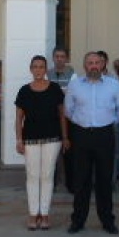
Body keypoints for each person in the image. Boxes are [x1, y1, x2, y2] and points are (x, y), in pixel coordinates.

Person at [64, 51, 119, 235]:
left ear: (103, 65)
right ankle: (78, 220)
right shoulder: (75, 85)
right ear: (84, 66)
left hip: (105, 135)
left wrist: (106, 122)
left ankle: (107, 220)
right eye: (90, 63)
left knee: (104, 180)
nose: (93, 66)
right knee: (81, 180)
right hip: (81, 135)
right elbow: (68, 110)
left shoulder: (114, 85)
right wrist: (82, 123)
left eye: (97, 62)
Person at [15, 55, 68, 231]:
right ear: (31, 69)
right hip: (30, 139)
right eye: (35, 67)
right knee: (32, 175)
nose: (38, 70)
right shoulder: (24, 91)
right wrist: (19, 139)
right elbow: (19, 119)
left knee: (47, 175)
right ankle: (32, 213)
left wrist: (65, 137)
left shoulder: (54, 89)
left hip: (52, 139)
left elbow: (62, 115)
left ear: (46, 69)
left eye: (41, 67)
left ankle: (44, 213)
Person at [49, 46, 75, 193]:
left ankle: (70, 183)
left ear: (66, 58)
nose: (59, 59)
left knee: (69, 151)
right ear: (53, 58)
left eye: (62, 56)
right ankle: (51, 183)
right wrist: (61, 92)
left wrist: (56, 91)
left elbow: (71, 93)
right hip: (51, 118)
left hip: (68, 117)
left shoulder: (73, 74)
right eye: (57, 56)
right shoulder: (48, 73)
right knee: (52, 152)